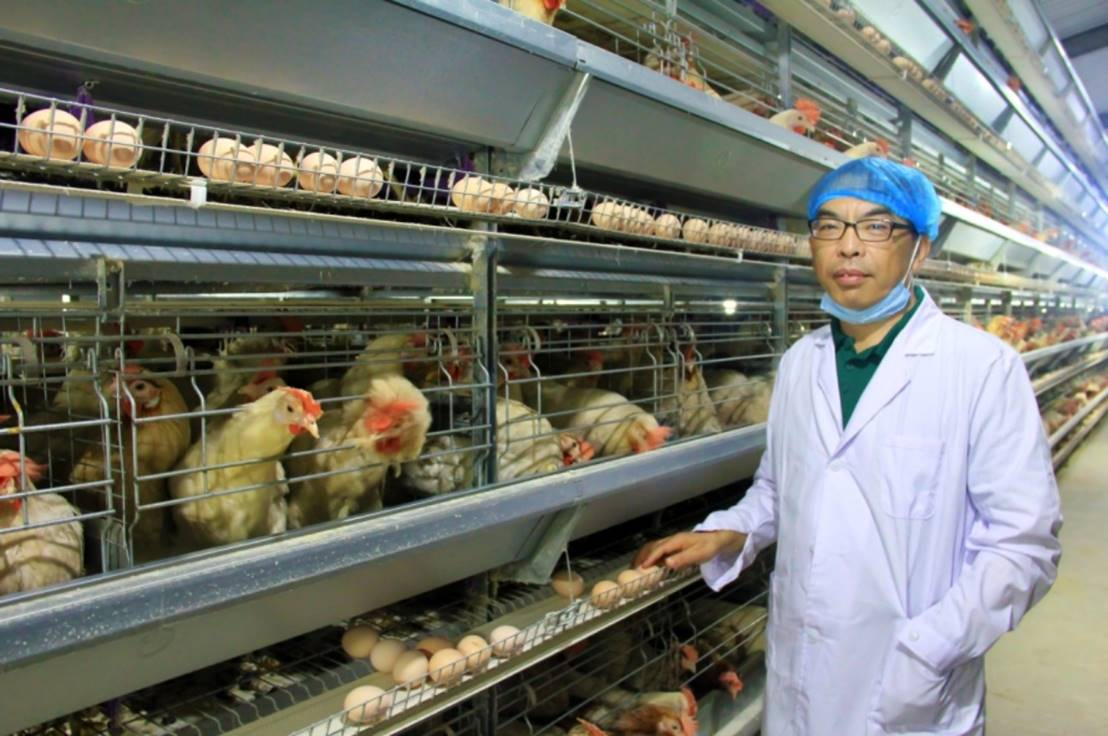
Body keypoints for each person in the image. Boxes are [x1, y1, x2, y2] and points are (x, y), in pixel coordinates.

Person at [635, 158, 1062, 735]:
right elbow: (781, 487)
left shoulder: (981, 368)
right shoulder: (800, 363)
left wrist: (929, 648)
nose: (849, 246)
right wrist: (731, 531)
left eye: (877, 226)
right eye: (830, 225)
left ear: (921, 248)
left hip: (909, 690)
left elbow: (1022, 545)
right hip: (799, 679)